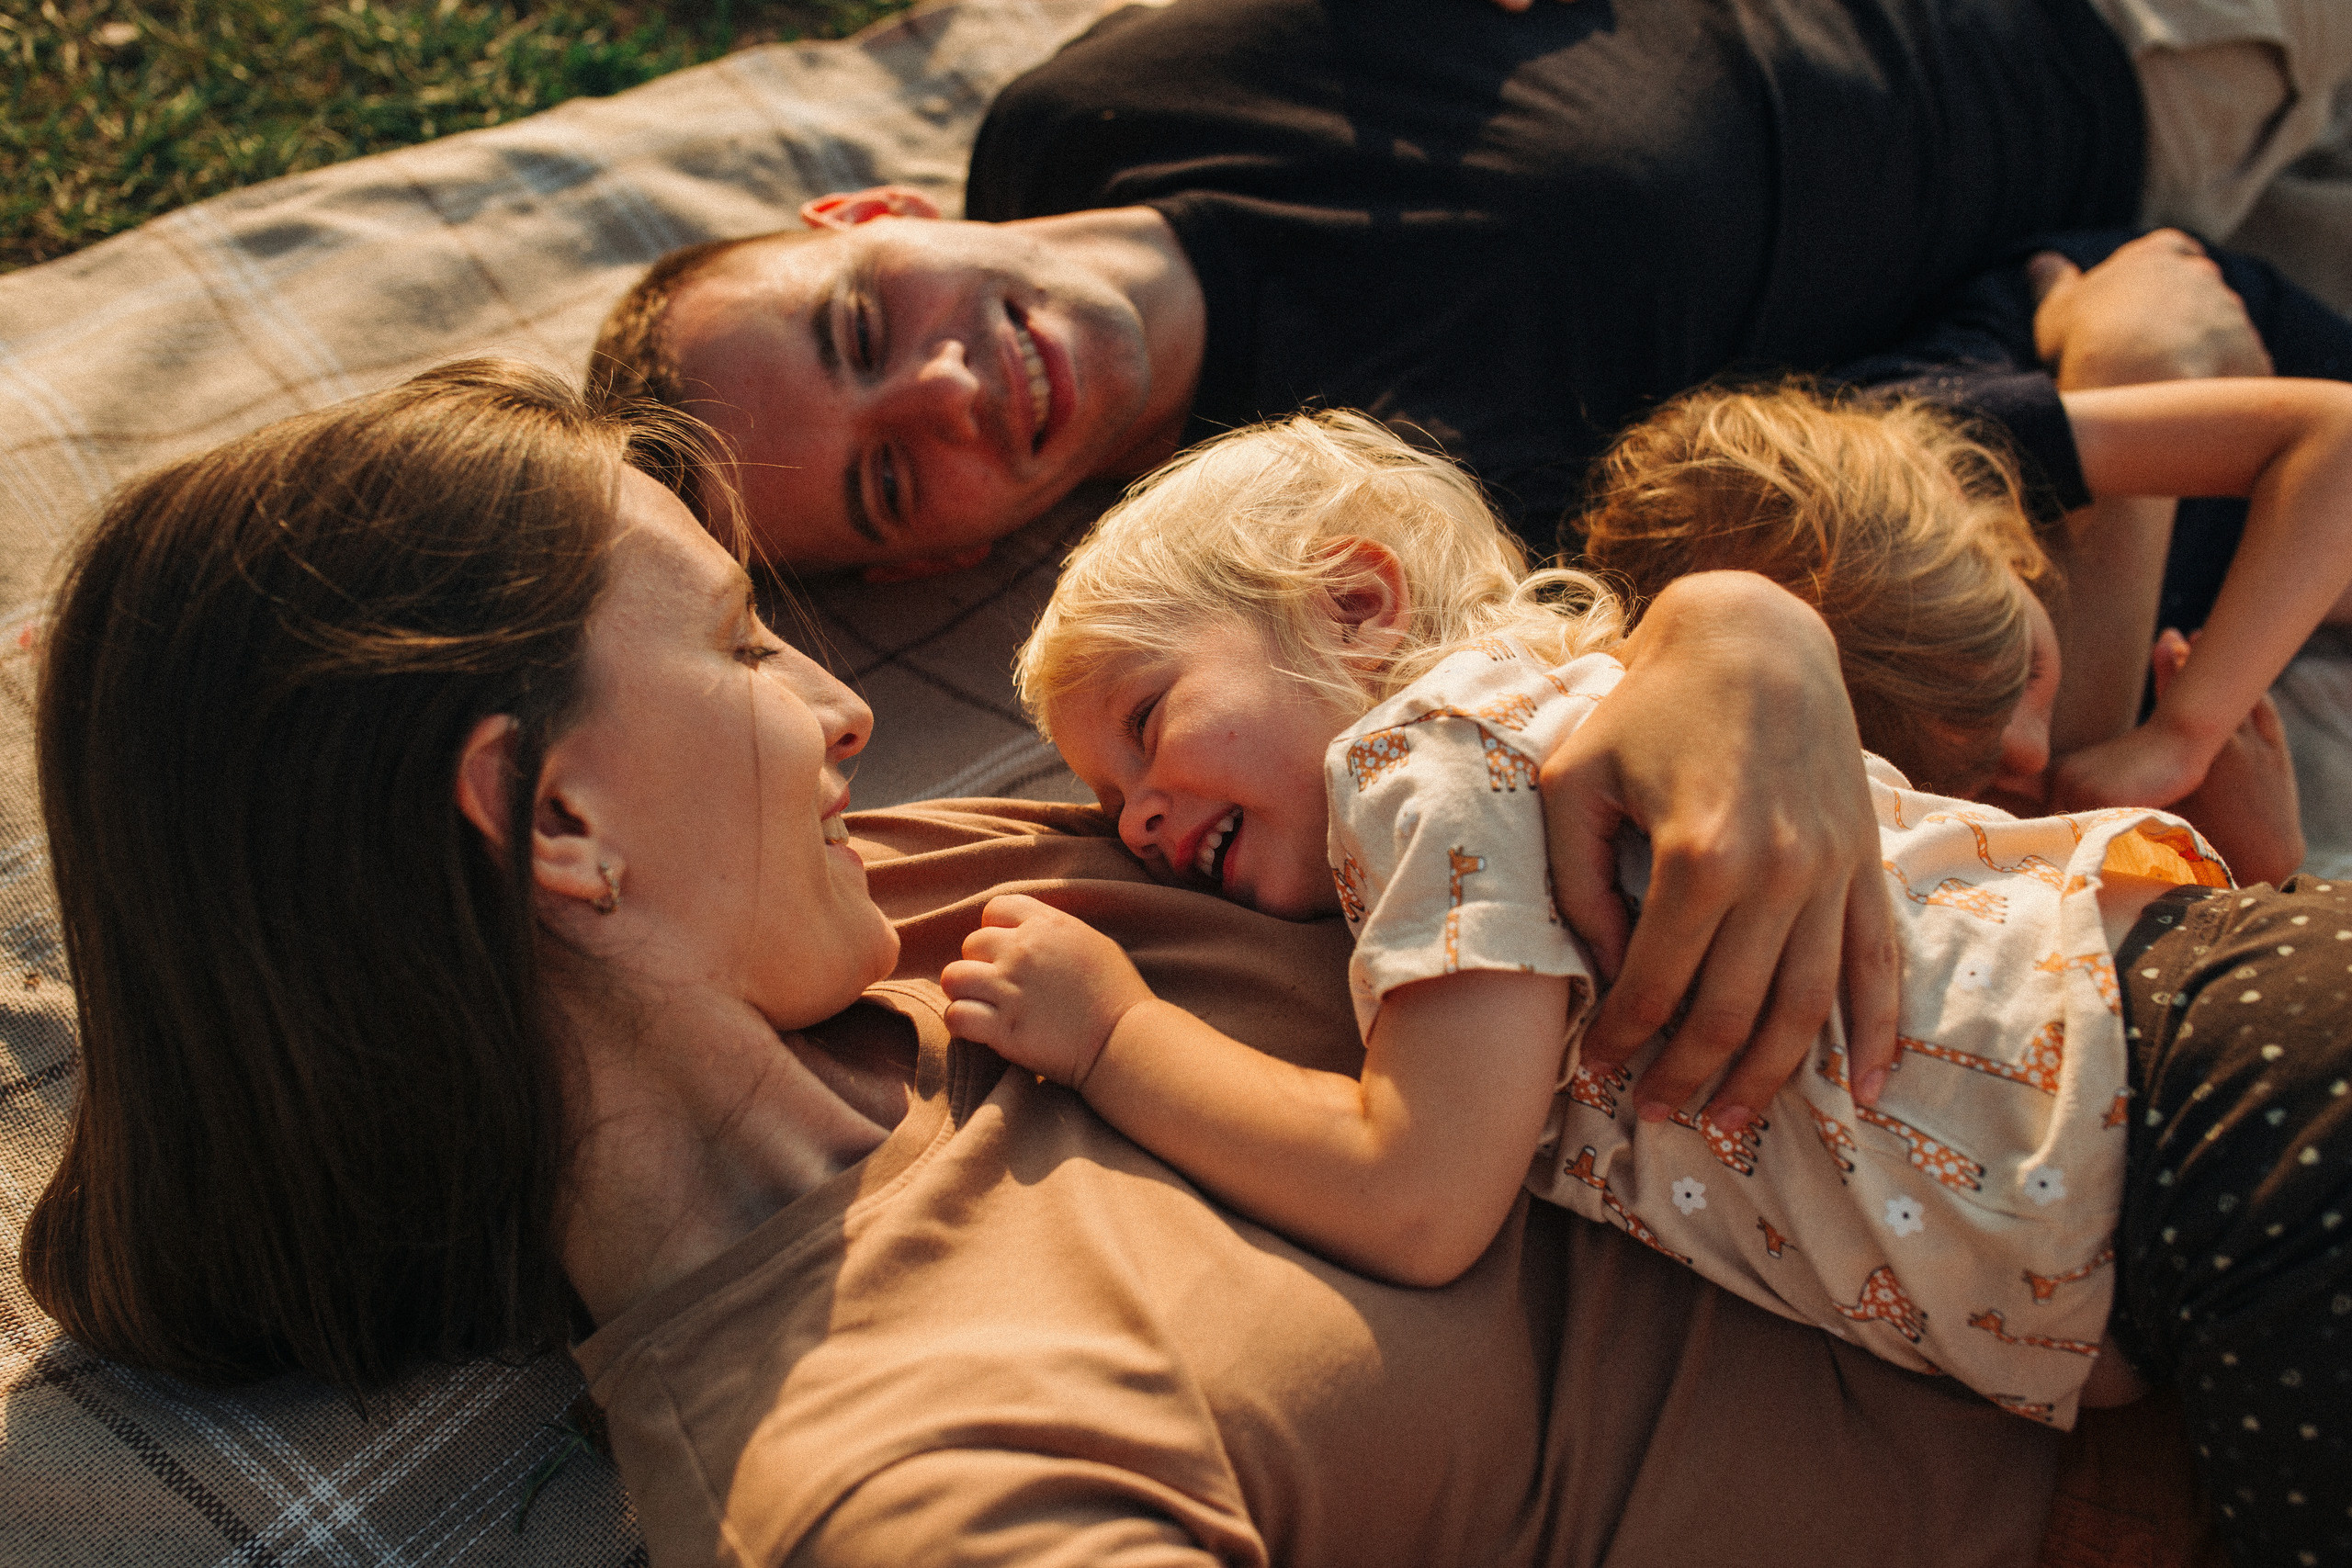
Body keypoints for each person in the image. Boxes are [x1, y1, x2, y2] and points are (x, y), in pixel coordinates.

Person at [20, 360, 2090, 1568]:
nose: (846, 708)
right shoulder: (900, 1465)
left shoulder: (911, 908)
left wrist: (1736, 636)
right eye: (738, 646)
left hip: (2136, 1041)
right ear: (558, 827)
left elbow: (1443, 674)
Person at [945, 409, 2351, 1568]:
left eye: (1146, 721)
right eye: (1110, 801)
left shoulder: (1425, 753)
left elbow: (1419, 1190)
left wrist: (1116, 1032)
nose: (1136, 818)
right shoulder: (1538, 725)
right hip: (2221, 1071)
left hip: (2213, 1136)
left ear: (1357, 605)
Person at [587, 0, 2352, 584]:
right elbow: (1814, 463)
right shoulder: (1354, 509)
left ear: (875, 211)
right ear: (950, 556)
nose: (943, 389)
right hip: (2116, 69)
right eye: (892, 478)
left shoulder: (1072, 119)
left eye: (859, 325)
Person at [1578, 376, 2352, 880]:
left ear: (1974, 514)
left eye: (2026, 671)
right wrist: (2264, 869)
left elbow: (2335, 433)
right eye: (1972, 773)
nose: (2034, 754)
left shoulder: (1954, 446)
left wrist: (2185, 731)